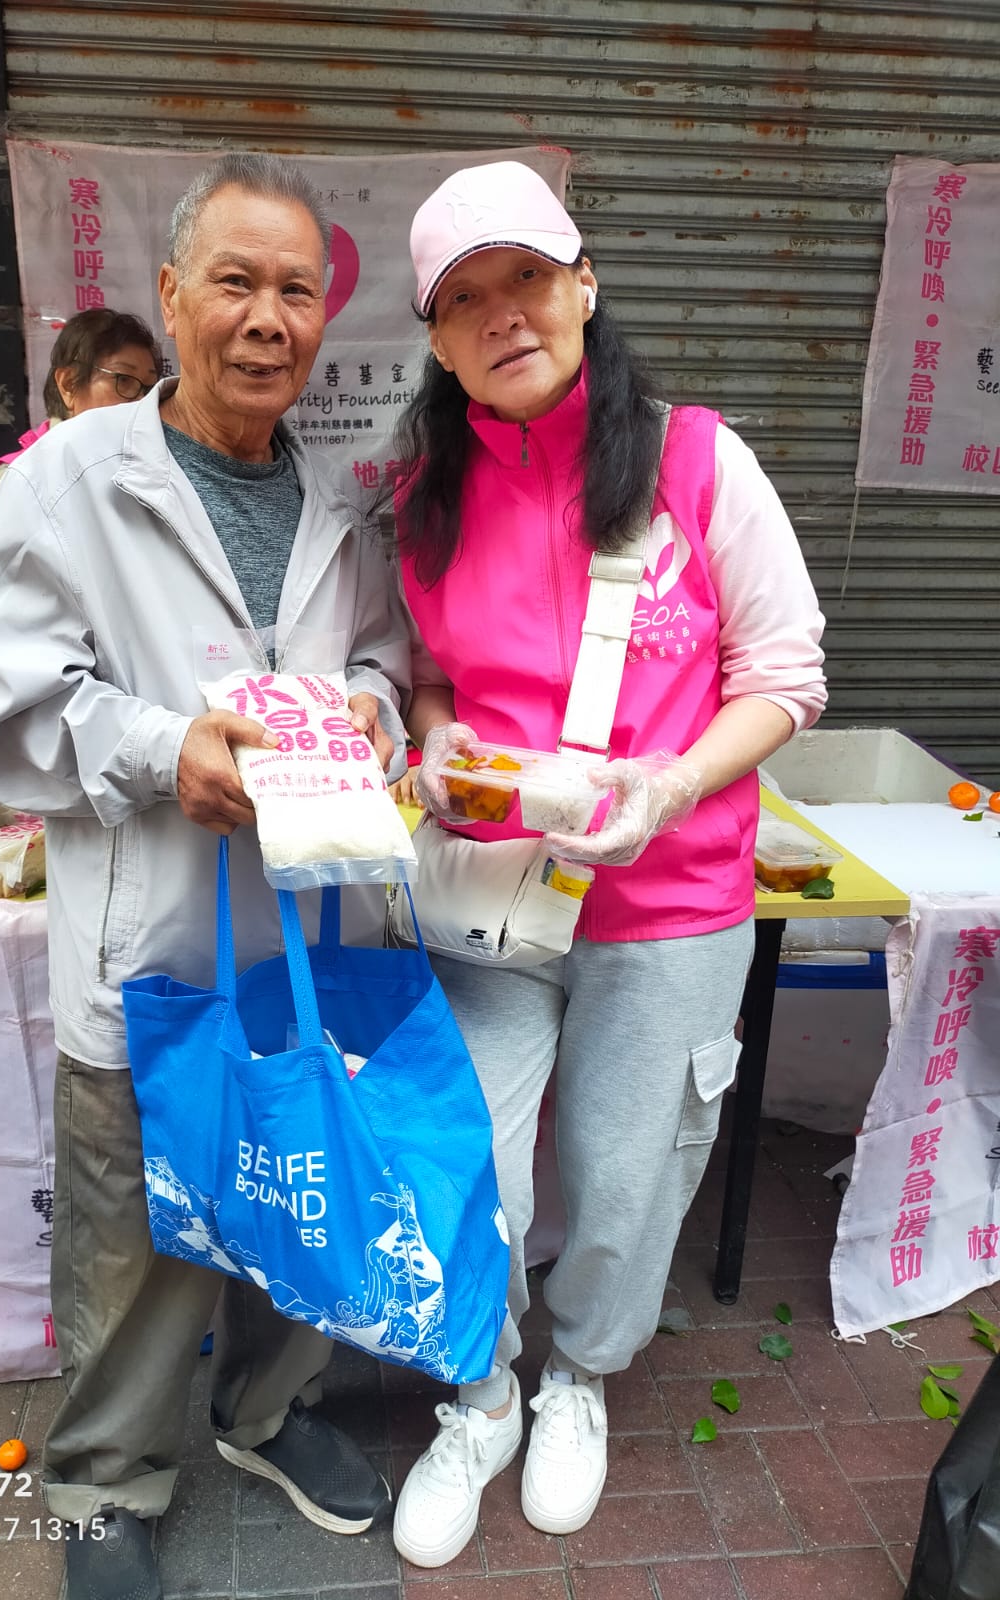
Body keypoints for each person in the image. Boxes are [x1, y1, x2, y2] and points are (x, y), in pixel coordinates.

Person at [0, 154, 409, 1600]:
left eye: (297, 291)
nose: (269, 318)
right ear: (169, 295)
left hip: (304, 943)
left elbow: (383, 656)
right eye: (236, 282)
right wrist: (164, 754)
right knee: (135, 1243)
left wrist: (375, 716)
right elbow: (7, 709)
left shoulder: (336, 501)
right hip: (147, 944)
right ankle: (106, 1481)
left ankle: (268, 1413)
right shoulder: (71, 482)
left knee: (294, 1199)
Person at [388, 160, 828, 1567]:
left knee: (625, 1174)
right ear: (438, 339)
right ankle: (481, 1393)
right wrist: (439, 741)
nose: (503, 314)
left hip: (671, 899)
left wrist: (673, 783)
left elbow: (786, 675)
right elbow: (428, 674)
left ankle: (576, 1378)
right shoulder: (425, 492)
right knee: (472, 1168)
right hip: (490, 901)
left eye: (526, 276)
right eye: (465, 299)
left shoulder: (697, 462)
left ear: (583, 283)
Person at [0, 306, 163, 549]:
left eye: (149, 388)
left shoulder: (144, 469)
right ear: (69, 384)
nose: (141, 401)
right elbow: (1, 572)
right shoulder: (18, 478)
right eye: (123, 380)